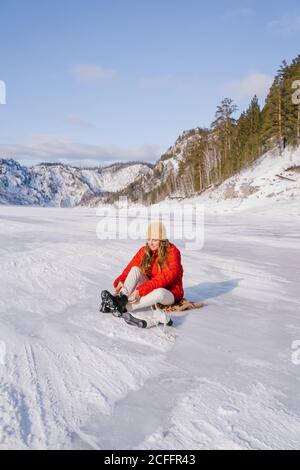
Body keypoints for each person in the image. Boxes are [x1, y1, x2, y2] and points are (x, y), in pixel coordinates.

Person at [100, 222, 184, 328]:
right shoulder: (144, 250)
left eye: (155, 240)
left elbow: (165, 278)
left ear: (162, 240)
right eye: (149, 239)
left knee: (160, 292)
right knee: (135, 269)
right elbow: (131, 267)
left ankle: (126, 307)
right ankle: (120, 299)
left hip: (170, 292)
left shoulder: (173, 252)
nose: (151, 243)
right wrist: (120, 281)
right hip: (151, 285)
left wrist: (141, 290)